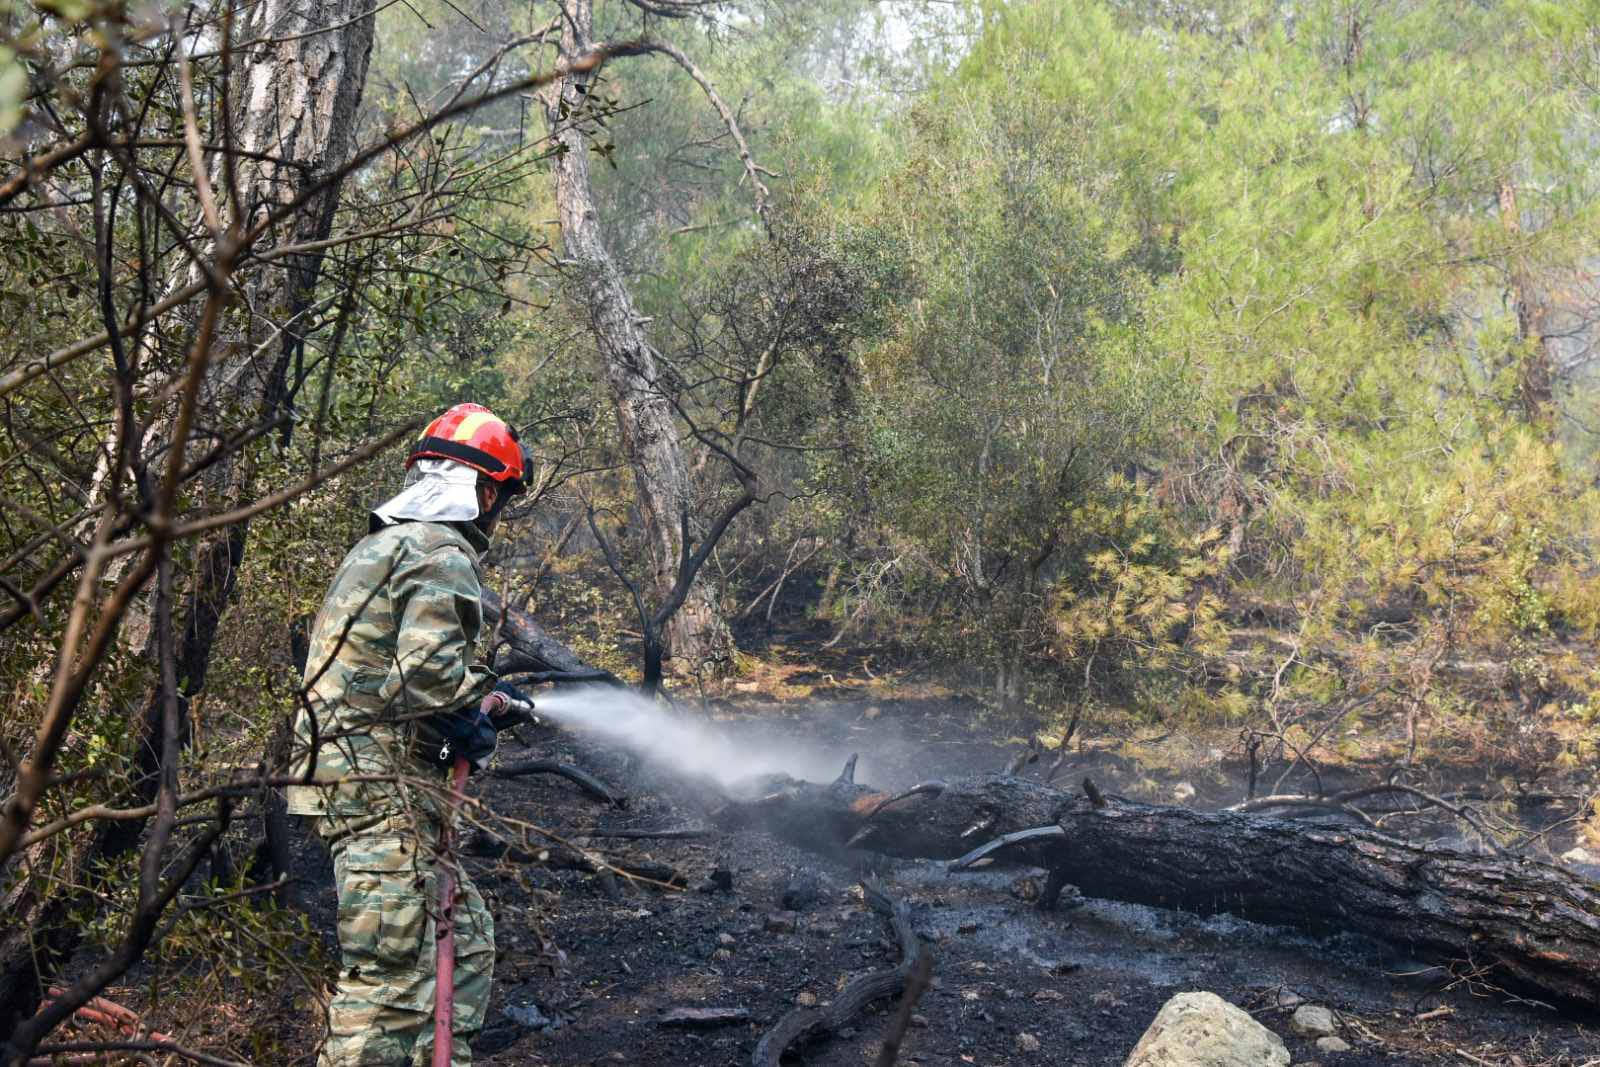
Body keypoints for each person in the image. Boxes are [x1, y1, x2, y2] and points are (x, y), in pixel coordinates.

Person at [287, 403, 533, 1067]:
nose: (498, 512)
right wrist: (471, 716)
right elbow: (425, 678)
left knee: (465, 940)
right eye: (502, 497)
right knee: (391, 979)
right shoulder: (439, 551)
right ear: (485, 493)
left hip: (362, 775)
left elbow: (395, 676)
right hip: (375, 786)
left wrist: (476, 711)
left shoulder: (385, 545)